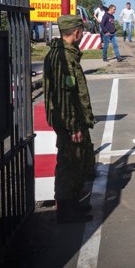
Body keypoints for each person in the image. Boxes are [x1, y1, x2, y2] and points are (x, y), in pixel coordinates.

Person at [43, 15, 95, 223]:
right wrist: (73, 126)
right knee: (68, 164)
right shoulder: (62, 58)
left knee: (79, 161)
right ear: (76, 31)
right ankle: (65, 211)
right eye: (82, 30)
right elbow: (64, 97)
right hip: (68, 121)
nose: (82, 33)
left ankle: (72, 204)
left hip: (73, 119)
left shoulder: (68, 54)